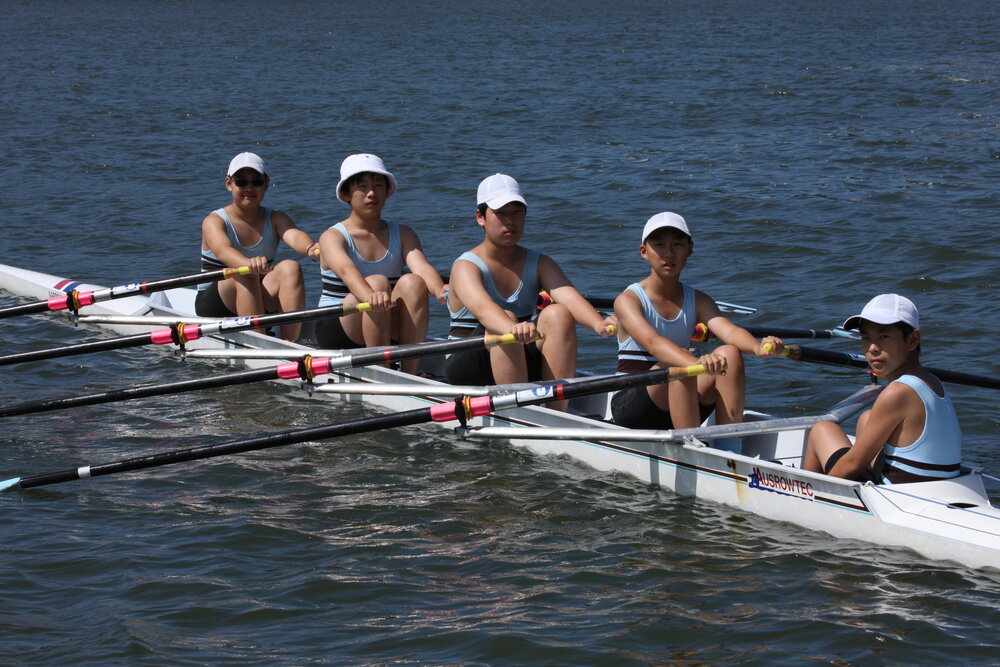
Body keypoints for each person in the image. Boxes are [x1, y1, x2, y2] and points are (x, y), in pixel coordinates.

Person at [611, 212, 783, 451]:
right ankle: (693, 450)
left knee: (730, 354)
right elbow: (654, 343)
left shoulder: (699, 300)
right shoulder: (628, 300)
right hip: (632, 407)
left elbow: (730, 331)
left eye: (677, 245)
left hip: (680, 394)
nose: (669, 254)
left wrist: (759, 347)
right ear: (644, 252)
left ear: (689, 249)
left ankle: (730, 448)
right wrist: (696, 363)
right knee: (679, 363)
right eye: (659, 245)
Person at [445, 173, 616, 411]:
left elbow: (569, 297)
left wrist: (599, 324)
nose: (510, 221)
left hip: (518, 351)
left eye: (517, 212)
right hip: (468, 364)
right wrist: (511, 328)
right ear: (480, 217)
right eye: (501, 213)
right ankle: (521, 413)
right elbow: (484, 310)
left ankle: (557, 413)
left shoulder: (540, 262)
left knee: (558, 313)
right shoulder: (465, 266)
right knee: (505, 318)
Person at [802, 294, 962, 483]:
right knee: (867, 418)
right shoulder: (932, 381)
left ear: (913, 340)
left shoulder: (897, 392)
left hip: (899, 492)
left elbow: (852, 465)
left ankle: (809, 492)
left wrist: (825, 486)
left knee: (822, 429)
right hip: (935, 484)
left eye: (884, 336)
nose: (872, 348)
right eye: (866, 337)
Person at [315, 154, 447, 374]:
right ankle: (381, 370)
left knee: (413, 282)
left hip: (382, 317)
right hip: (339, 327)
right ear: (346, 194)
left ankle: (409, 373)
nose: (371, 193)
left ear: (387, 192)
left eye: (378, 186)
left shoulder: (403, 233)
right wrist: (371, 296)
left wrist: (441, 290)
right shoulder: (332, 237)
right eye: (363, 187)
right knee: (377, 283)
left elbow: (422, 268)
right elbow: (348, 272)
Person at [197, 152, 319, 341]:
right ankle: (260, 343)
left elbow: (293, 235)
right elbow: (223, 251)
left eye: (256, 182)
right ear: (229, 184)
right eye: (241, 182)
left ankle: (290, 343)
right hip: (216, 302)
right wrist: (248, 264)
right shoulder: (214, 221)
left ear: (266, 184)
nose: (249, 188)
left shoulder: (276, 218)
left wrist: (311, 248)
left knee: (291, 267)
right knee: (245, 272)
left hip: (257, 293)